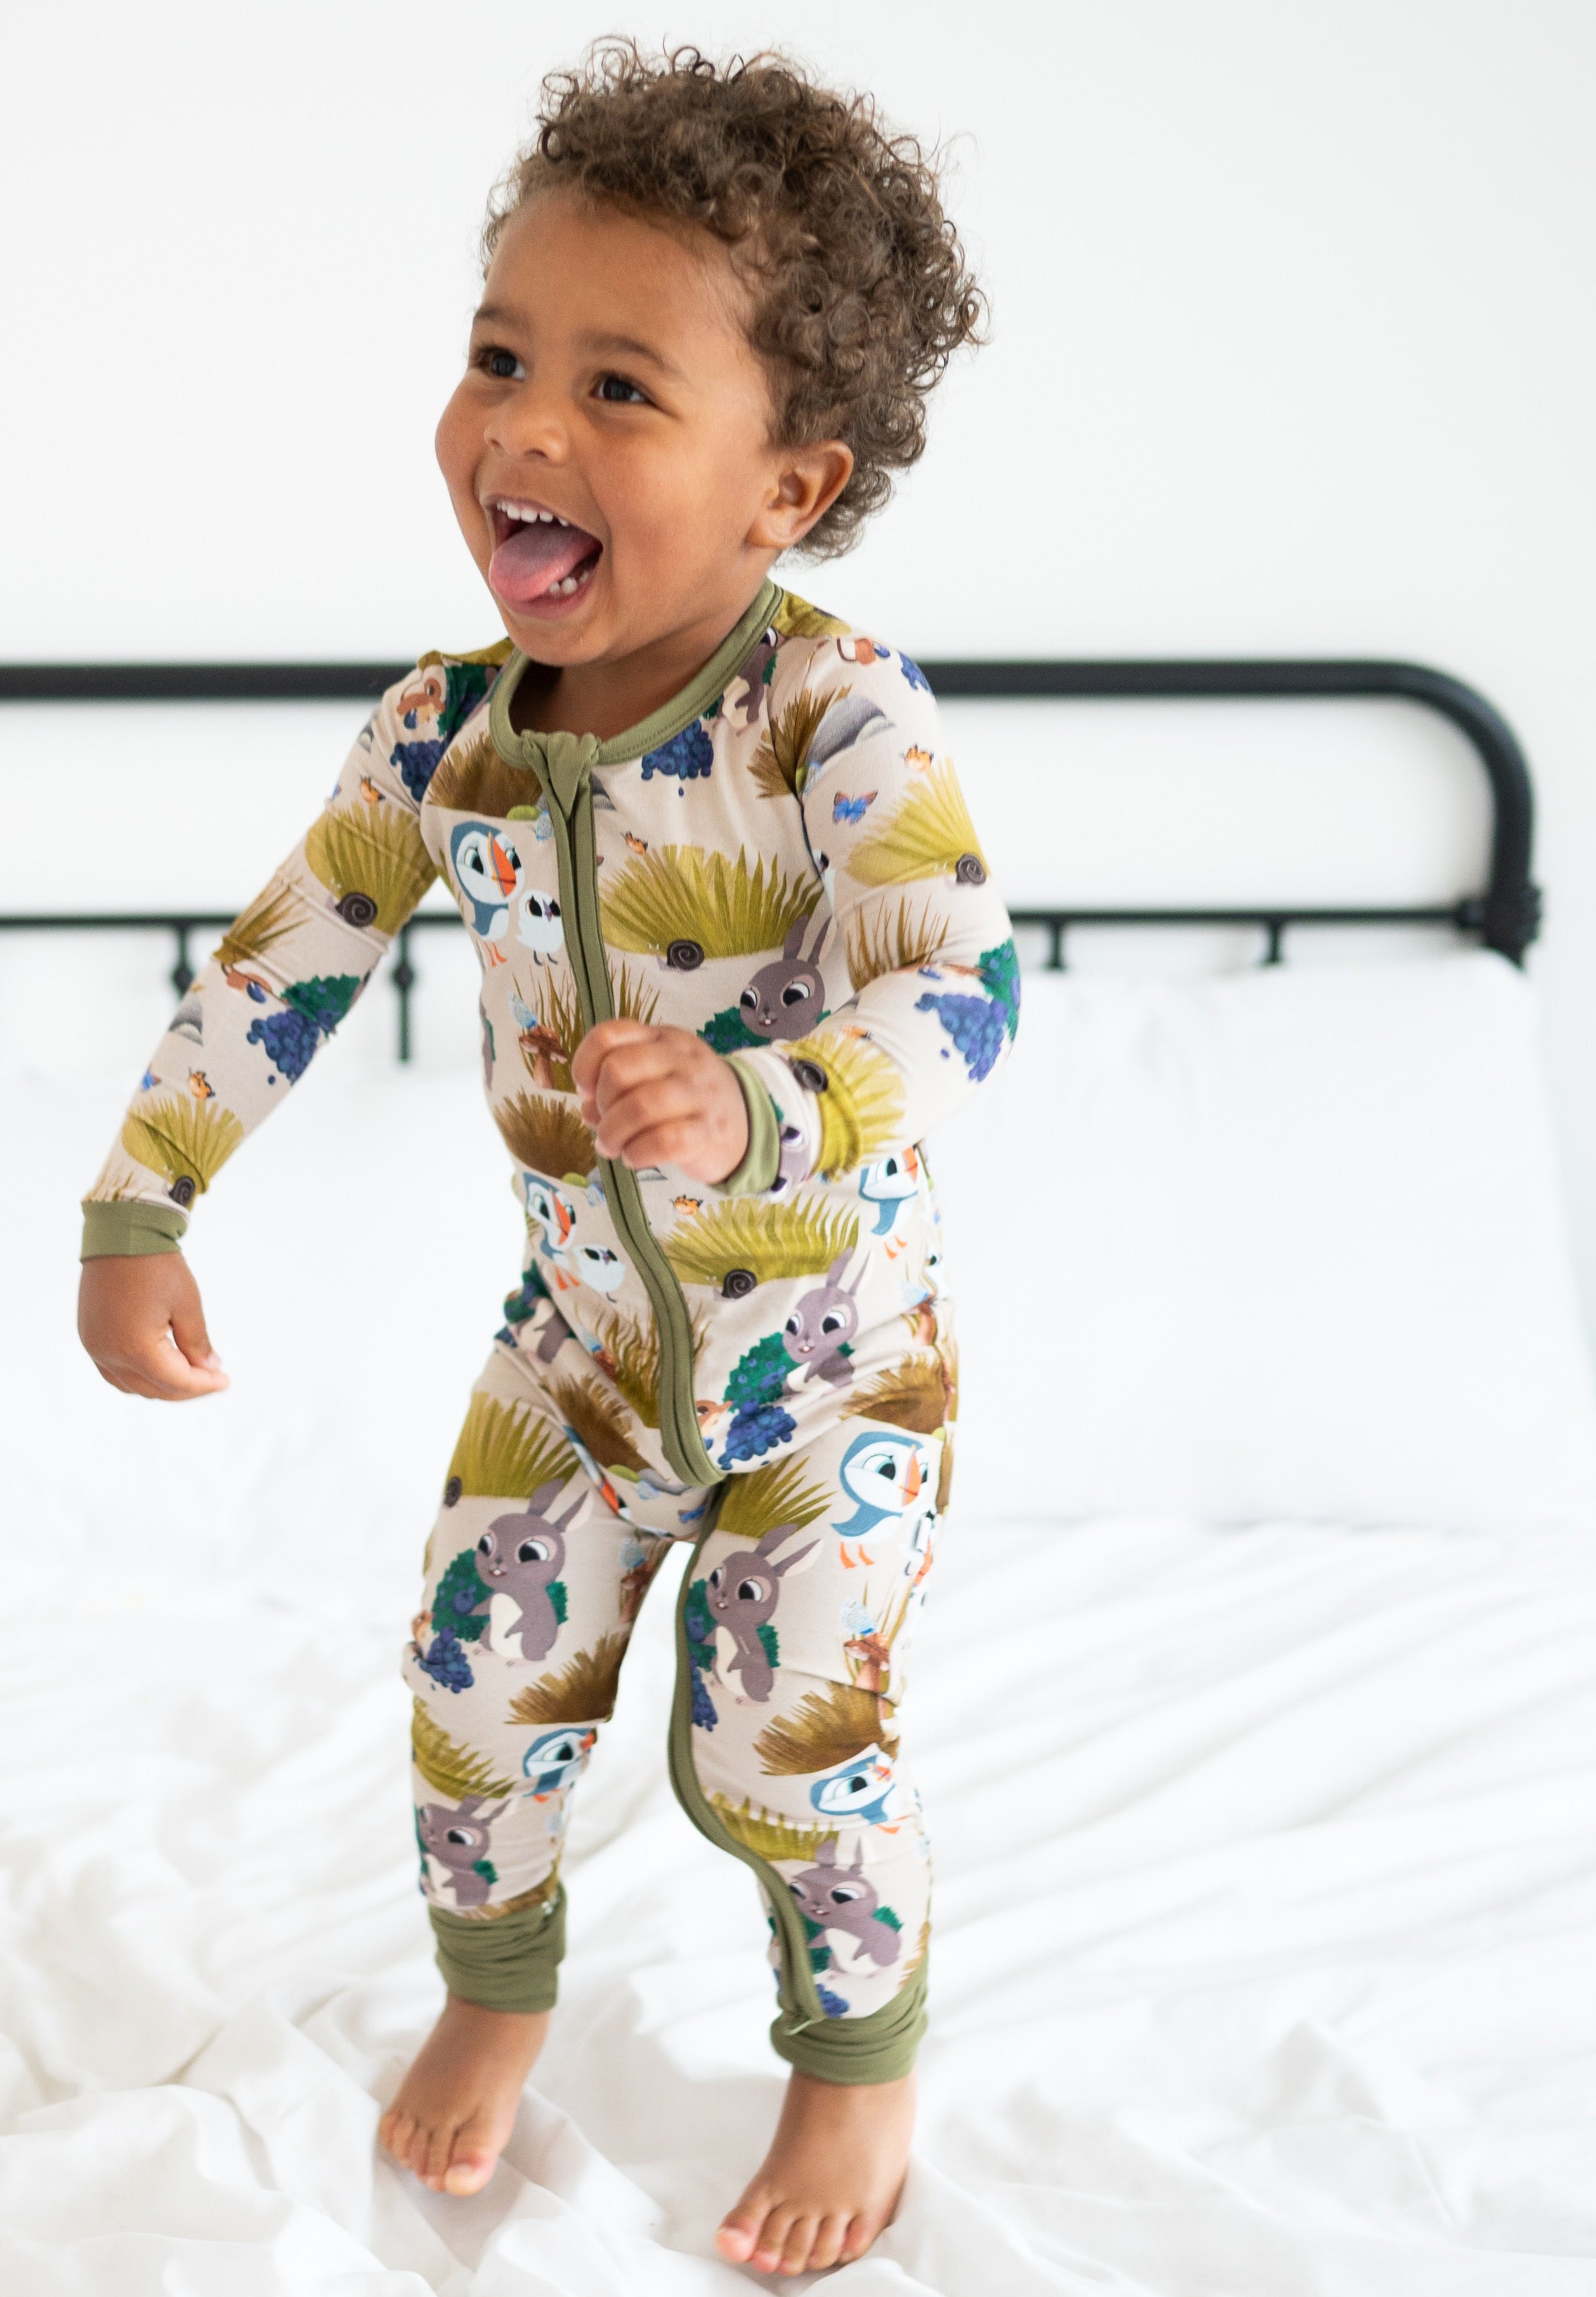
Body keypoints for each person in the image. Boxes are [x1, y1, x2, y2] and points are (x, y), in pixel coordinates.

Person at [77, 41, 1014, 2279]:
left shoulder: (839, 721)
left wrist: (763, 1108)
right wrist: (144, 1198)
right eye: (501, 355)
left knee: (794, 1745)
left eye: (617, 388)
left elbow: (958, 993)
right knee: (470, 1698)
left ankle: (856, 2047)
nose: (524, 427)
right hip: (582, 1365)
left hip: (829, 1376)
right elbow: (283, 955)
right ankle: (497, 2004)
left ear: (789, 487)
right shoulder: (445, 736)